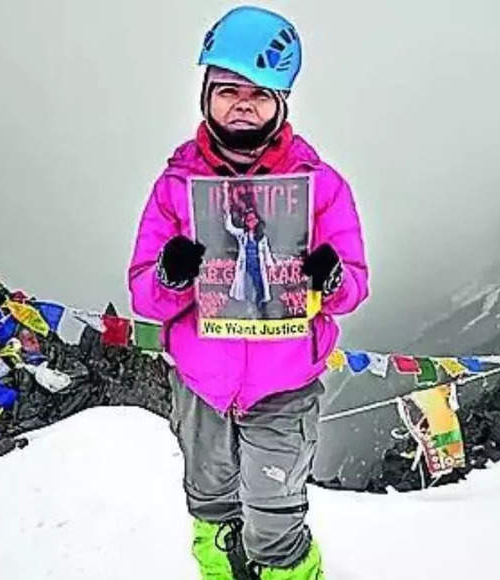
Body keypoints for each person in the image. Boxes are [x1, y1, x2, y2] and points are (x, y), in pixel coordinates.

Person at [127, 6, 368, 579]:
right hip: (201, 384)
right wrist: (172, 275)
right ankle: (223, 572)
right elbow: (143, 294)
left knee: (275, 513)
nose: (242, 103)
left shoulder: (321, 186)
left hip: (284, 384)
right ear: (205, 95)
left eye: (259, 93)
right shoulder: (176, 187)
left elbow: (355, 285)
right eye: (227, 89)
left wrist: (329, 277)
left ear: (281, 102)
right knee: (210, 501)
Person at [224, 198, 275, 316]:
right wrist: (228, 213)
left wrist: (270, 264)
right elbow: (230, 228)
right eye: (248, 220)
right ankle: (249, 310)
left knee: (259, 288)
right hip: (246, 267)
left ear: (257, 220)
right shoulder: (243, 234)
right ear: (245, 222)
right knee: (247, 289)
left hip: (257, 267)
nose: (251, 222)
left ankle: (261, 309)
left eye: (253, 219)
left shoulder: (262, 237)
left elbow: (266, 251)